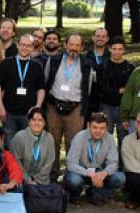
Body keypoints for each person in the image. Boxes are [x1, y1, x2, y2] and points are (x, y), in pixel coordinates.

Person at [44, 32, 93, 179]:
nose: (74, 48)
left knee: (74, 144)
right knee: (53, 143)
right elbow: (46, 80)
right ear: (65, 45)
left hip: (75, 110)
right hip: (53, 107)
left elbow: (88, 88)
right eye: (71, 44)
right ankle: (53, 175)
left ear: (82, 47)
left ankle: (71, 178)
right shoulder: (54, 60)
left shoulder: (87, 64)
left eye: (78, 45)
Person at [0, 34, 46, 147]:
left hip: (28, 114)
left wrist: (37, 106)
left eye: (28, 46)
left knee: (28, 146)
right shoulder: (6, 63)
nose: (24, 48)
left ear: (33, 47)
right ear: (17, 45)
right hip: (9, 113)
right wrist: (1, 107)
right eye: (22, 45)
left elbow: (41, 88)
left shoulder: (37, 65)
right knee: (10, 145)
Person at [65, 113, 125, 205]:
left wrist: (103, 174)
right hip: (81, 171)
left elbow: (113, 163)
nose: (98, 131)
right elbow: (71, 163)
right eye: (95, 127)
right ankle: (75, 194)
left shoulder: (110, 139)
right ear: (88, 126)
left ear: (106, 128)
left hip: (99, 172)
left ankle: (96, 193)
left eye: (102, 128)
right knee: (74, 180)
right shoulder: (80, 137)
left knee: (120, 178)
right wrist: (90, 174)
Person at [97, 36, 133, 144]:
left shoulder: (129, 68)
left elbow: (130, 90)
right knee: (104, 137)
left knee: (124, 138)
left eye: (120, 49)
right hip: (106, 106)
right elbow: (101, 89)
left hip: (123, 107)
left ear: (124, 50)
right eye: (114, 49)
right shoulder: (102, 67)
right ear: (109, 49)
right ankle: (106, 161)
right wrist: (119, 90)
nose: (117, 52)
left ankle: (123, 161)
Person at [9, 107, 57, 187]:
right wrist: (28, 180)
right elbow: (16, 162)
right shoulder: (19, 137)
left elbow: (49, 162)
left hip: (42, 181)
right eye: (33, 120)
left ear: (44, 123)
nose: (36, 123)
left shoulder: (49, 138)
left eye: (40, 120)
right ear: (29, 122)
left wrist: (37, 180)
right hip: (21, 180)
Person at [87, 28, 110, 114]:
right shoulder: (85, 57)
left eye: (103, 36)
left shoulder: (112, 57)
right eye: (98, 36)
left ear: (107, 39)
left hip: (106, 100)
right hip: (89, 99)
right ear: (93, 38)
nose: (100, 38)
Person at [121, 112, 140, 208]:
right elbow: (129, 164)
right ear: (136, 123)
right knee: (134, 178)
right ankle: (134, 199)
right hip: (135, 173)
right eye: (139, 122)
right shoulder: (127, 140)